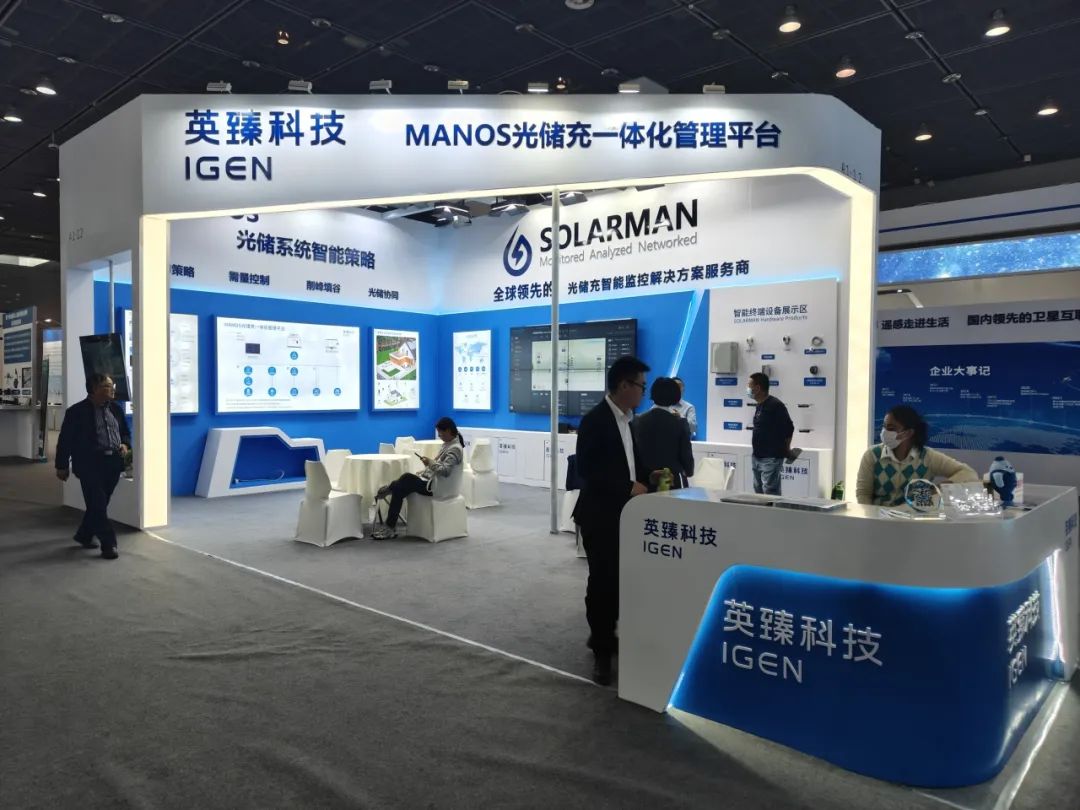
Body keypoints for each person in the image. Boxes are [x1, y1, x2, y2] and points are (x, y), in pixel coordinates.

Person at [573, 355, 651, 685]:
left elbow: (630, 463)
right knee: (603, 583)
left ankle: (605, 635)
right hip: (600, 515)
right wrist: (627, 486)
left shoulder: (629, 420)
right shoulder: (595, 420)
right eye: (641, 386)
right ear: (623, 385)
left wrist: (647, 477)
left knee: (620, 581)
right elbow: (587, 470)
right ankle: (602, 651)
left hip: (627, 514)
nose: (643, 392)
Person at [55, 373, 131, 560]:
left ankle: (84, 534)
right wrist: (61, 465)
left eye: (112, 385)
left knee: (100, 504)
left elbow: (125, 433)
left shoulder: (116, 409)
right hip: (89, 464)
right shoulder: (76, 412)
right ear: (94, 389)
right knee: (97, 503)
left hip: (113, 463)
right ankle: (109, 544)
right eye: (107, 386)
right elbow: (65, 440)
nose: (112, 389)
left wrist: (125, 444)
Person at [856, 405, 978, 506]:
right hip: (879, 519)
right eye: (884, 426)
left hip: (914, 520)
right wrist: (870, 519)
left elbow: (968, 473)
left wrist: (939, 488)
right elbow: (863, 494)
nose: (884, 432)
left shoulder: (928, 457)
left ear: (908, 433)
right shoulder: (872, 455)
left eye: (891, 428)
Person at [373, 417, 464, 539]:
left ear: (448, 430)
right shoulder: (449, 445)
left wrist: (430, 463)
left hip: (438, 488)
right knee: (400, 487)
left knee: (405, 479)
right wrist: (426, 469)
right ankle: (390, 525)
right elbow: (440, 467)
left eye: (440, 433)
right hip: (435, 483)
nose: (439, 435)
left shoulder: (454, 449)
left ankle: (390, 491)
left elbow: (445, 471)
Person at [634, 377, 694, 489]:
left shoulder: (637, 421)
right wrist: (689, 471)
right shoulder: (680, 423)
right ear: (675, 396)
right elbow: (686, 456)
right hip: (673, 481)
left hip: (645, 483)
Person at [747, 372, 794, 496]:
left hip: (771, 457)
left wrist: (787, 448)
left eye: (749, 386)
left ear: (758, 388)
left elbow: (789, 428)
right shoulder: (759, 405)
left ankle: (774, 509)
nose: (747, 389)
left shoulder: (775, 405)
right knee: (758, 490)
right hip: (757, 456)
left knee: (770, 492)